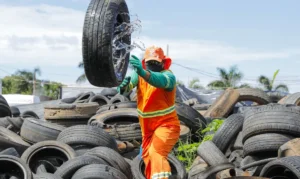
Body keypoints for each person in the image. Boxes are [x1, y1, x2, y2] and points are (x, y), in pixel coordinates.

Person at [117, 46, 180, 179]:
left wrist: (143, 72)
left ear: (163, 62)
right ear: (145, 62)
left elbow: (159, 81)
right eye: (150, 62)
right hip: (147, 129)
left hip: (166, 125)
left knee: (156, 153)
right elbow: (129, 85)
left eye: (156, 62)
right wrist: (123, 87)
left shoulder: (168, 76)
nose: (153, 65)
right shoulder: (139, 74)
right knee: (147, 158)